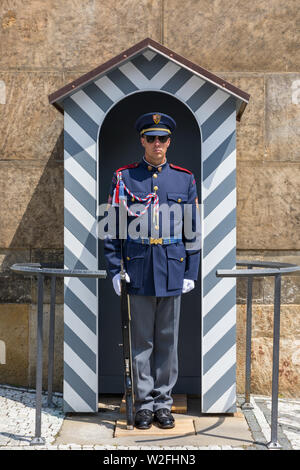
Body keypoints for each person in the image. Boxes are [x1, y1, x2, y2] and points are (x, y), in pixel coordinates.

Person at [103, 112, 201, 430]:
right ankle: (143, 404)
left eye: (162, 138)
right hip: (139, 268)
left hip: (172, 269)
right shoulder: (124, 177)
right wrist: (114, 270)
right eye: (151, 138)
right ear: (142, 140)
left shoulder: (184, 179)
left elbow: (192, 230)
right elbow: (112, 228)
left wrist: (191, 270)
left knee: (168, 341)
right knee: (142, 341)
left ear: (169, 141)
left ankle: (163, 404)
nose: (157, 144)